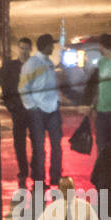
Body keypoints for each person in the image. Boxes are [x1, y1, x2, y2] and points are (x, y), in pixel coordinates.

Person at [19, 33, 62, 188]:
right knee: (39, 146)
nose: (53, 48)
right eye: (51, 45)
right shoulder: (33, 64)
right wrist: (32, 107)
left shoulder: (49, 62)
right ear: (46, 46)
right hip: (38, 110)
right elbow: (23, 87)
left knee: (55, 145)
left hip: (52, 109)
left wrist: (57, 101)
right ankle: (39, 179)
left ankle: (55, 177)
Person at [1, 36, 32, 185]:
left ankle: (34, 169)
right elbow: (5, 87)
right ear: (18, 49)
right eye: (22, 48)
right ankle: (23, 170)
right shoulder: (11, 66)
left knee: (36, 141)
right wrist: (11, 106)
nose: (24, 51)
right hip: (18, 110)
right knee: (19, 142)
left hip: (32, 110)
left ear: (30, 50)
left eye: (26, 49)